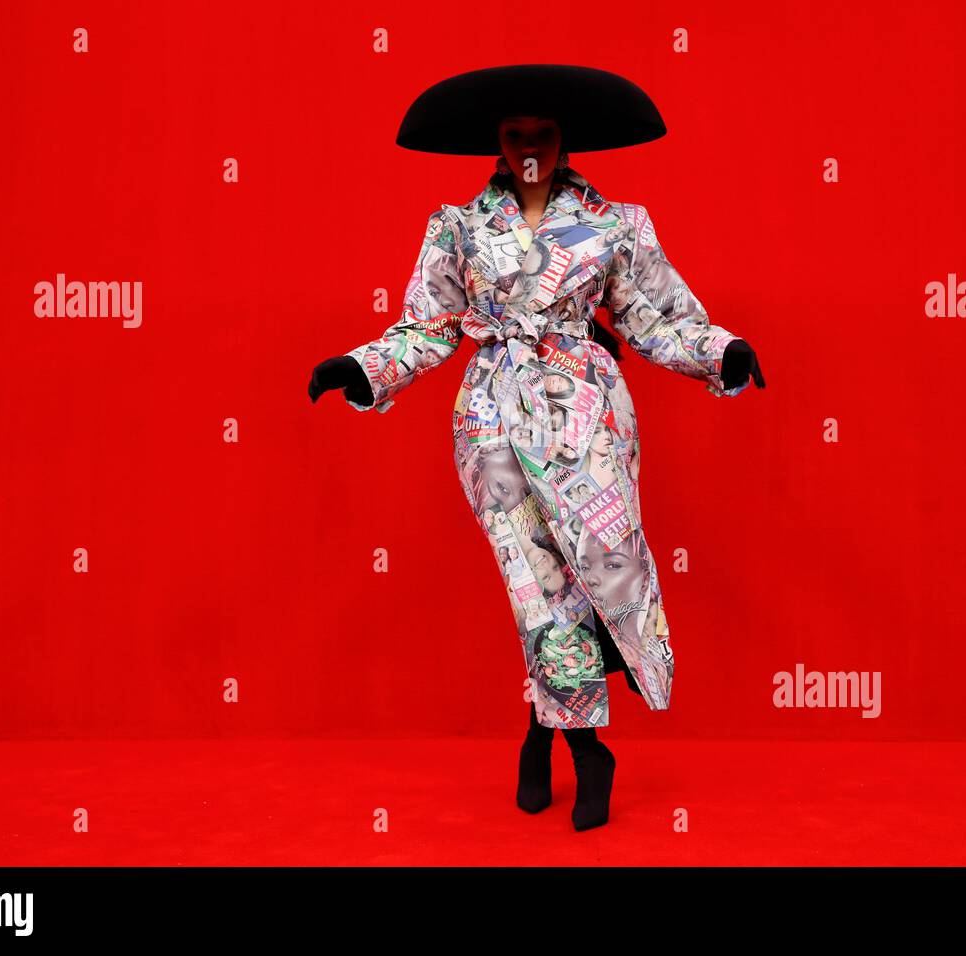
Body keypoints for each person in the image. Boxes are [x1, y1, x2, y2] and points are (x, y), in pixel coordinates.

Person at [308, 65, 766, 831]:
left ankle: (537, 731)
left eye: (544, 135)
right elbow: (428, 328)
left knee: (603, 570)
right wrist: (361, 367)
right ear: (496, 142)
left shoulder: (618, 225)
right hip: (491, 417)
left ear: (563, 141)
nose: (530, 149)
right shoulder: (455, 228)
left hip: (587, 411)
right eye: (516, 135)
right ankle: (588, 747)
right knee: (537, 587)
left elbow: (655, 320)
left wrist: (721, 351)